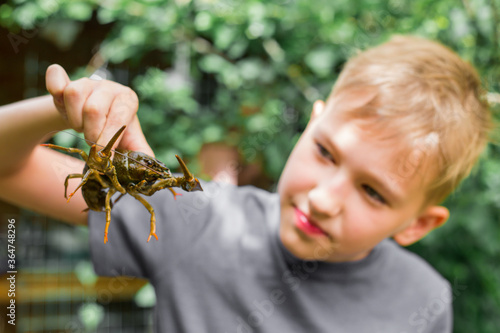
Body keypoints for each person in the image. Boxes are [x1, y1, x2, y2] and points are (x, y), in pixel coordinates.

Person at [0, 35, 493, 332]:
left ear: (419, 223)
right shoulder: (198, 222)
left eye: (373, 192)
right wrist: (62, 108)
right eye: (325, 152)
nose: (323, 199)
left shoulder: (423, 300)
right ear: (309, 124)